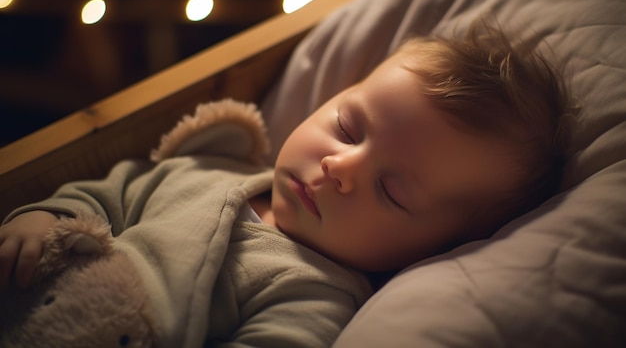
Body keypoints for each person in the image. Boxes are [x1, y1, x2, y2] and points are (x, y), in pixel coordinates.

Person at [0, 24, 573, 346]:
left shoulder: (315, 292)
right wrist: (41, 219)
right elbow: (106, 195)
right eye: (348, 127)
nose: (340, 167)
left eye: (392, 192)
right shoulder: (200, 170)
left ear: (432, 250)